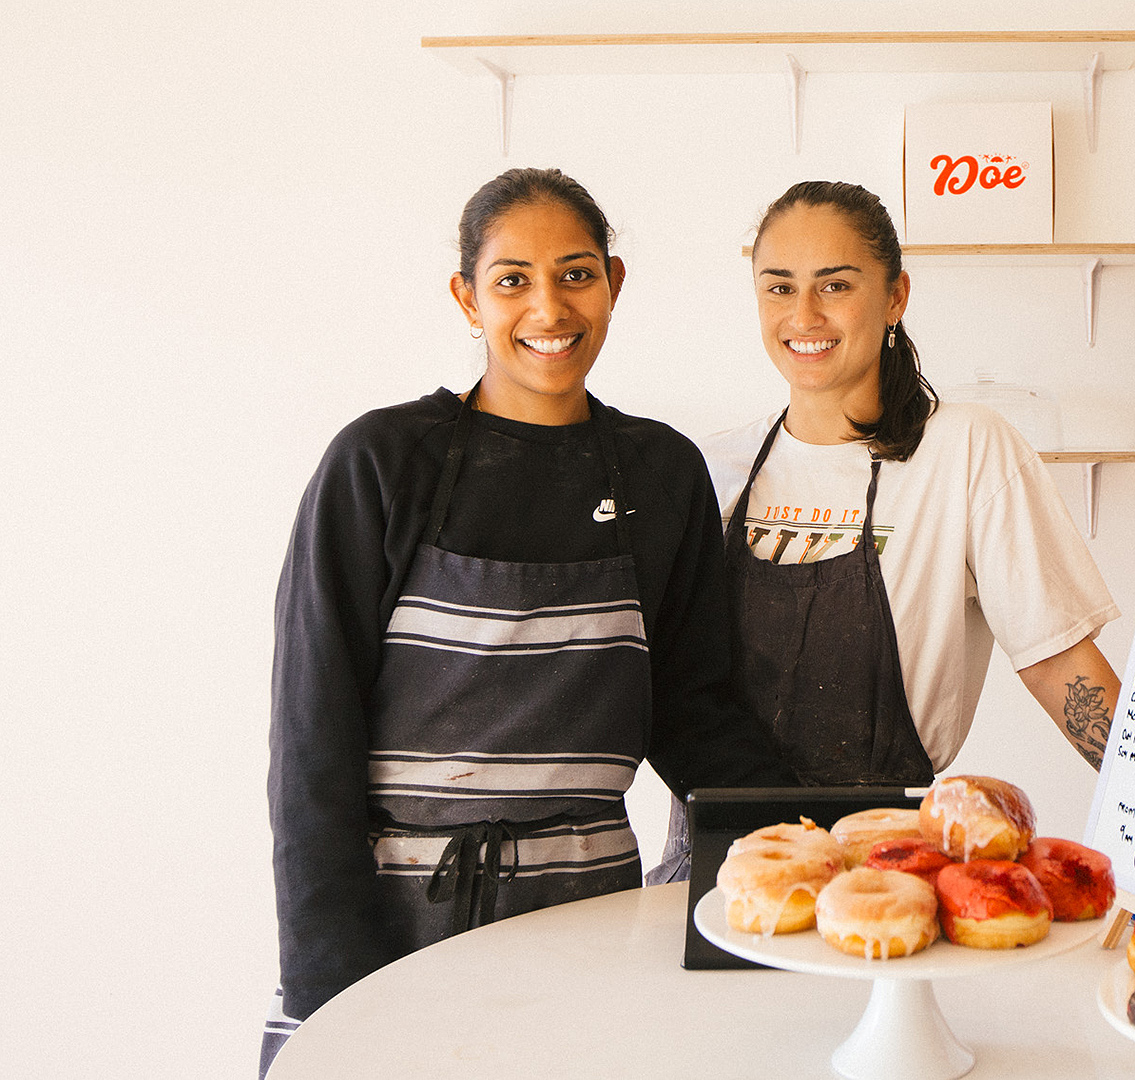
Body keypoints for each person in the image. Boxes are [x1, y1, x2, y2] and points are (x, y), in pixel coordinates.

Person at [261, 167, 795, 1076]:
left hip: (589, 925)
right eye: (512, 279)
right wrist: (329, 988)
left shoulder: (660, 472)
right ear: (468, 297)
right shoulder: (383, 462)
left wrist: (811, 851)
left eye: (576, 274)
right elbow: (313, 741)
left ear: (614, 284)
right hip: (398, 926)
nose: (548, 306)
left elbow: (696, 712)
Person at [651, 179, 1121, 881]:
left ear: (895, 296)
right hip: (723, 865)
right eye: (779, 288)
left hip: (885, 866)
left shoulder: (965, 451)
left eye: (835, 285)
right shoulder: (713, 469)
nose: (803, 314)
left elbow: (1059, 664)